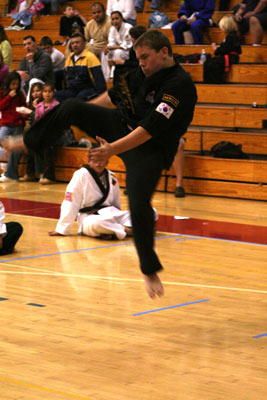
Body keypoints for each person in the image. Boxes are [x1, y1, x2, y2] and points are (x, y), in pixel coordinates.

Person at [4, 30, 197, 298]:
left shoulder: (179, 85)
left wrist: (110, 150)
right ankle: (29, 142)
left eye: (146, 57)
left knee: (140, 205)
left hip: (149, 150)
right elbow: (114, 96)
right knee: (71, 105)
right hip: (120, 126)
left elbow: (149, 130)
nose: (141, 63)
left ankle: (149, 270)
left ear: (164, 52)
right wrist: (86, 116)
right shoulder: (140, 72)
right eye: (138, 58)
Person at [49, 153, 132, 239]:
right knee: (94, 224)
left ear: (107, 162)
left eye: (101, 161)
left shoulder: (112, 176)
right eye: (95, 161)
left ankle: (112, 230)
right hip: (89, 216)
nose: (98, 164)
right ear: (89, 161)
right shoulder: (80, 175)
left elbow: (116, 202)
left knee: (134, 215)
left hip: (110, 213)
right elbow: (71, 202)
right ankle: (127, 230)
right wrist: (61, 229)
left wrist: (120, 216)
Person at [56, 33, 106, 102]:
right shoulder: (69, 58)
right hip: (72, 90)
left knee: (78, 100)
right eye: (72, 43)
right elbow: (66, 77)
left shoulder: (91, 57)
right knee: (56, 96)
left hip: (88, 89)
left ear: (84, 44)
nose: (75, 45)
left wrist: (101, 97)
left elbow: (99, 80)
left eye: (77, 42)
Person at [204, 15, 242, 83]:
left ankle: (214, 82)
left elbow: (225, 49)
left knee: (210, 63)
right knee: (209, 62)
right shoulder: (232, 35)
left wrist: (216, 49)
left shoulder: (231, 36)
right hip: (231, 56)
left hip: (230, 57)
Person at [102, 11, 132, 79]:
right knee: (104, 53)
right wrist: (108, 48)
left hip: (128, 51)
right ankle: (106, 75)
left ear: (121, 18)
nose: (115, 21)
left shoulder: (128, 27)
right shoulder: (112, 29)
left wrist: (113, 47)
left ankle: (115, 74)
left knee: (117, 52)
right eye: (113, 19)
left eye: (117, 18)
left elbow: (127, 45)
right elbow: (111, 42)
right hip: (117, 49)